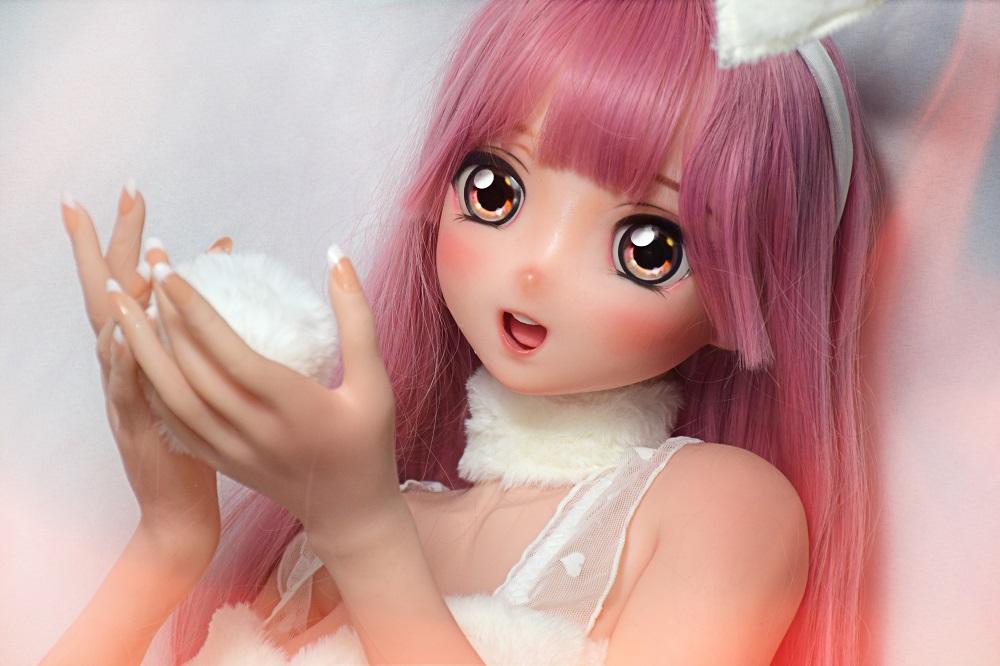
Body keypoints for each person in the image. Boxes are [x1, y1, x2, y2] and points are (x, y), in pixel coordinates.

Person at [45, 0, 883, 663]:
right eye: (495, 190)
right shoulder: (363, 527)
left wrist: (364, 532)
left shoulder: (720, 511)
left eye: (648, 245)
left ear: (751, 292)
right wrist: (171, 540)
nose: (536, 268)